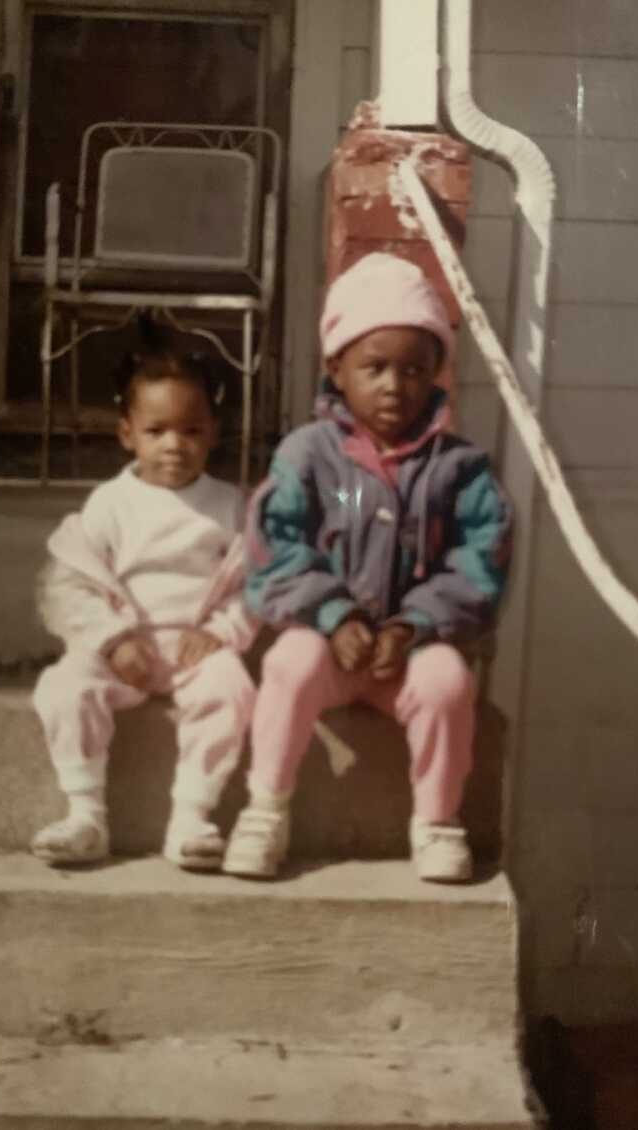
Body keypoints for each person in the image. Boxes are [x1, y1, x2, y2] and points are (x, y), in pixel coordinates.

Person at [222, 252, 512, 882]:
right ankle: (265, 810)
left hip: (406, 647)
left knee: (447, 685)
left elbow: (478, 560)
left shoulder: (456, 467)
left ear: (437, 371)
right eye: (374, 367)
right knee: (287, 664)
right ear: (337, 367)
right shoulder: (310, 455)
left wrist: (413, 625)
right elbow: (276, 544)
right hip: (330, 642)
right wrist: (333, 613)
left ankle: (437, 823)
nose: (393, 386)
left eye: (414, 368)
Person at [31, 335, 256, 871]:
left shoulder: (229, 505)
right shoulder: (112, 504)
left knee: (232, 687)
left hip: (194, 650)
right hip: (125, 648)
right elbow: (71, 583)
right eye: (156, 431)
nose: (174, 445)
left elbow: (258, 587)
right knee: (64, 687)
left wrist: (223, 633)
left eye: (191, 430)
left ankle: (192, 818)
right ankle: (86, 813)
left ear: (213, 435)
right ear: (127, 434)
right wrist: (112, 640)